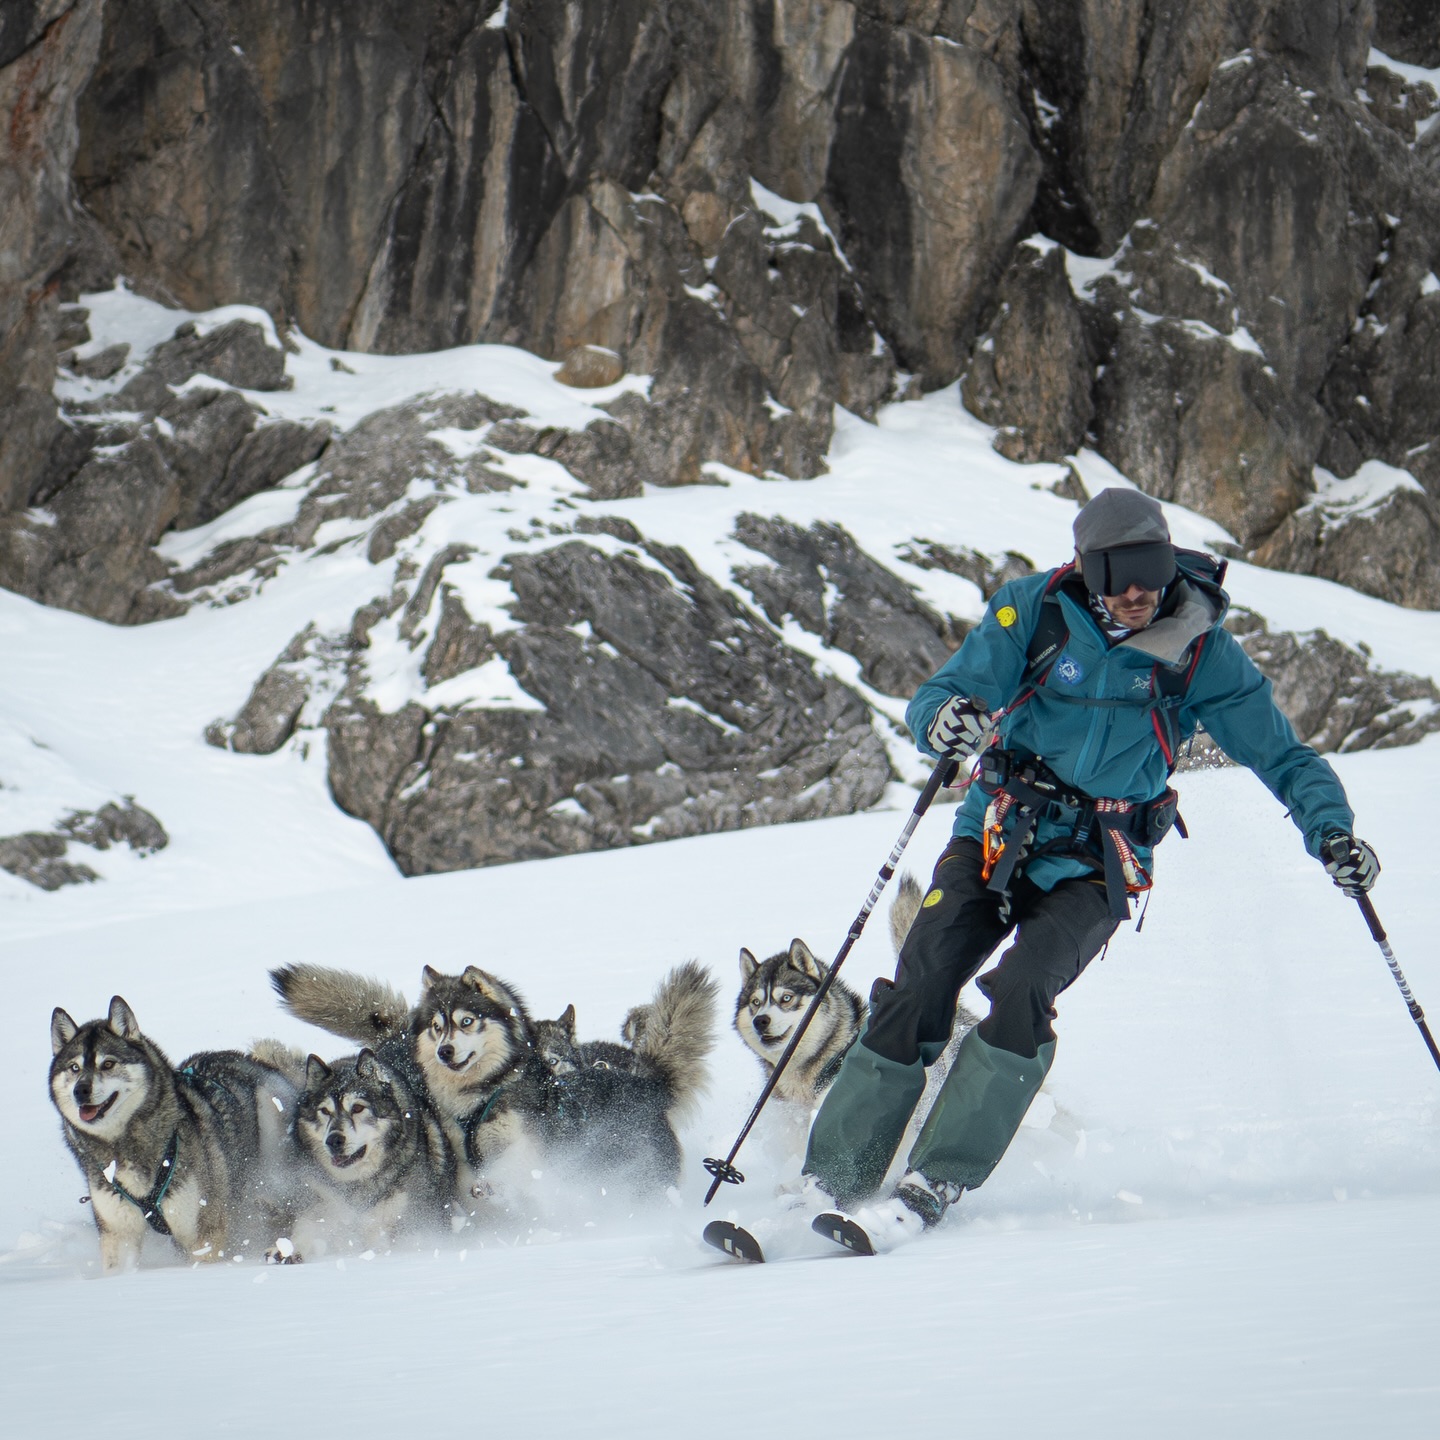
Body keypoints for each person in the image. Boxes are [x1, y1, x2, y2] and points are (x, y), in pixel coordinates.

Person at [800, 487, 1379, 1244]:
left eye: (1149, 567)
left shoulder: (1200, 649)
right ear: (1084, 568)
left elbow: (1281, 754)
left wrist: (1332, 831)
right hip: (997, 833)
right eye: (1115, 573)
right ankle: (831, 1179)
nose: (1135, 591)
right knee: (924, 977)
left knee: (1023, 989)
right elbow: (947, 693)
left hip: (1099, 860)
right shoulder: (1032, 613)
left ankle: (935, 1180)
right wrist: (944, 720)